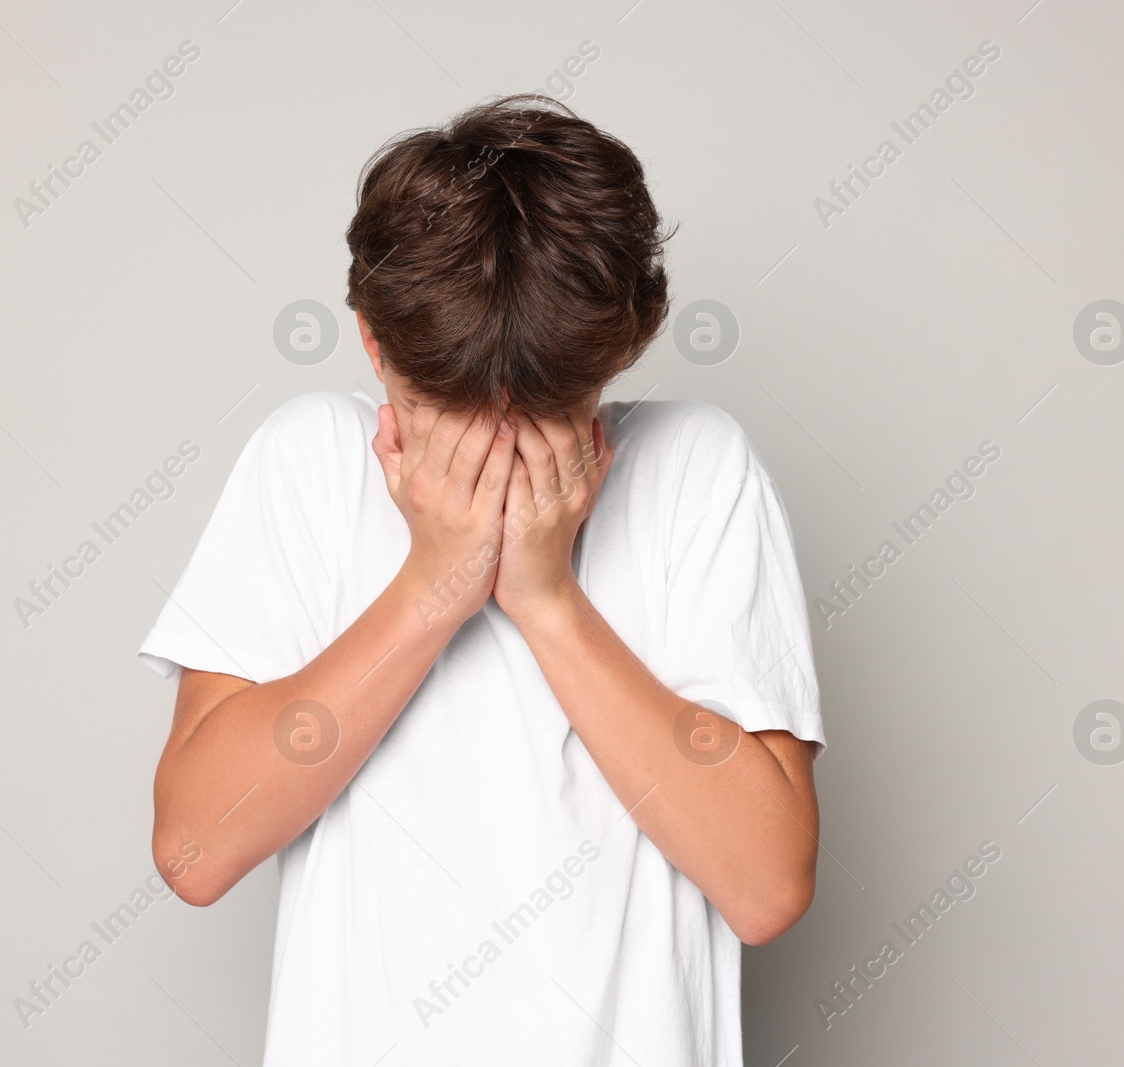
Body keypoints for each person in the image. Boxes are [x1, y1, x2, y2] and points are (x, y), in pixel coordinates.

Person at [139, 92, 825, 1066]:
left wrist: (546, 600)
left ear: (623, 346)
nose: (497, 452)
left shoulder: (697, 469)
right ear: (375, 344)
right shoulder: (306, 462)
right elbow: (195, 850)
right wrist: (432, 585)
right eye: (447, 412)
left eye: (543, 410)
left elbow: (763, 886)